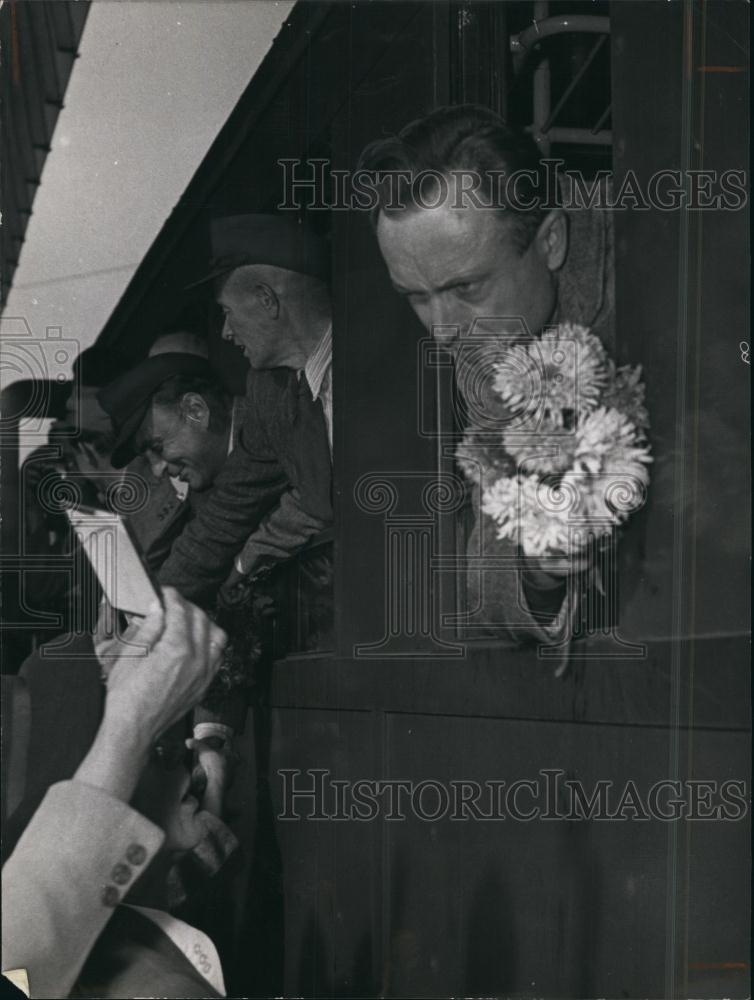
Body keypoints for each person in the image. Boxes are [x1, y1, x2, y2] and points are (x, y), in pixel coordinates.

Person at [358, 104, 614, 641]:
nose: (442, 330)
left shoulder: (672, 263)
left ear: (551, 241)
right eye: (416, 298)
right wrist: (538, 568)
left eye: (466, 288)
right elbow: (489, 578)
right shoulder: (491, 347)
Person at [1, 589, 230, 998]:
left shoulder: (134, 915)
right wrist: (130, 723)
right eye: (159, 750)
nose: (186, 763)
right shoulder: (165, 988)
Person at [151, 214, 333, 607]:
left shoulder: (383, 354)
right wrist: (153, 608)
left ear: (267, 300)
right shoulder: (269, 389)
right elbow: (229, 508)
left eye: (227, 312)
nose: (225, 333)